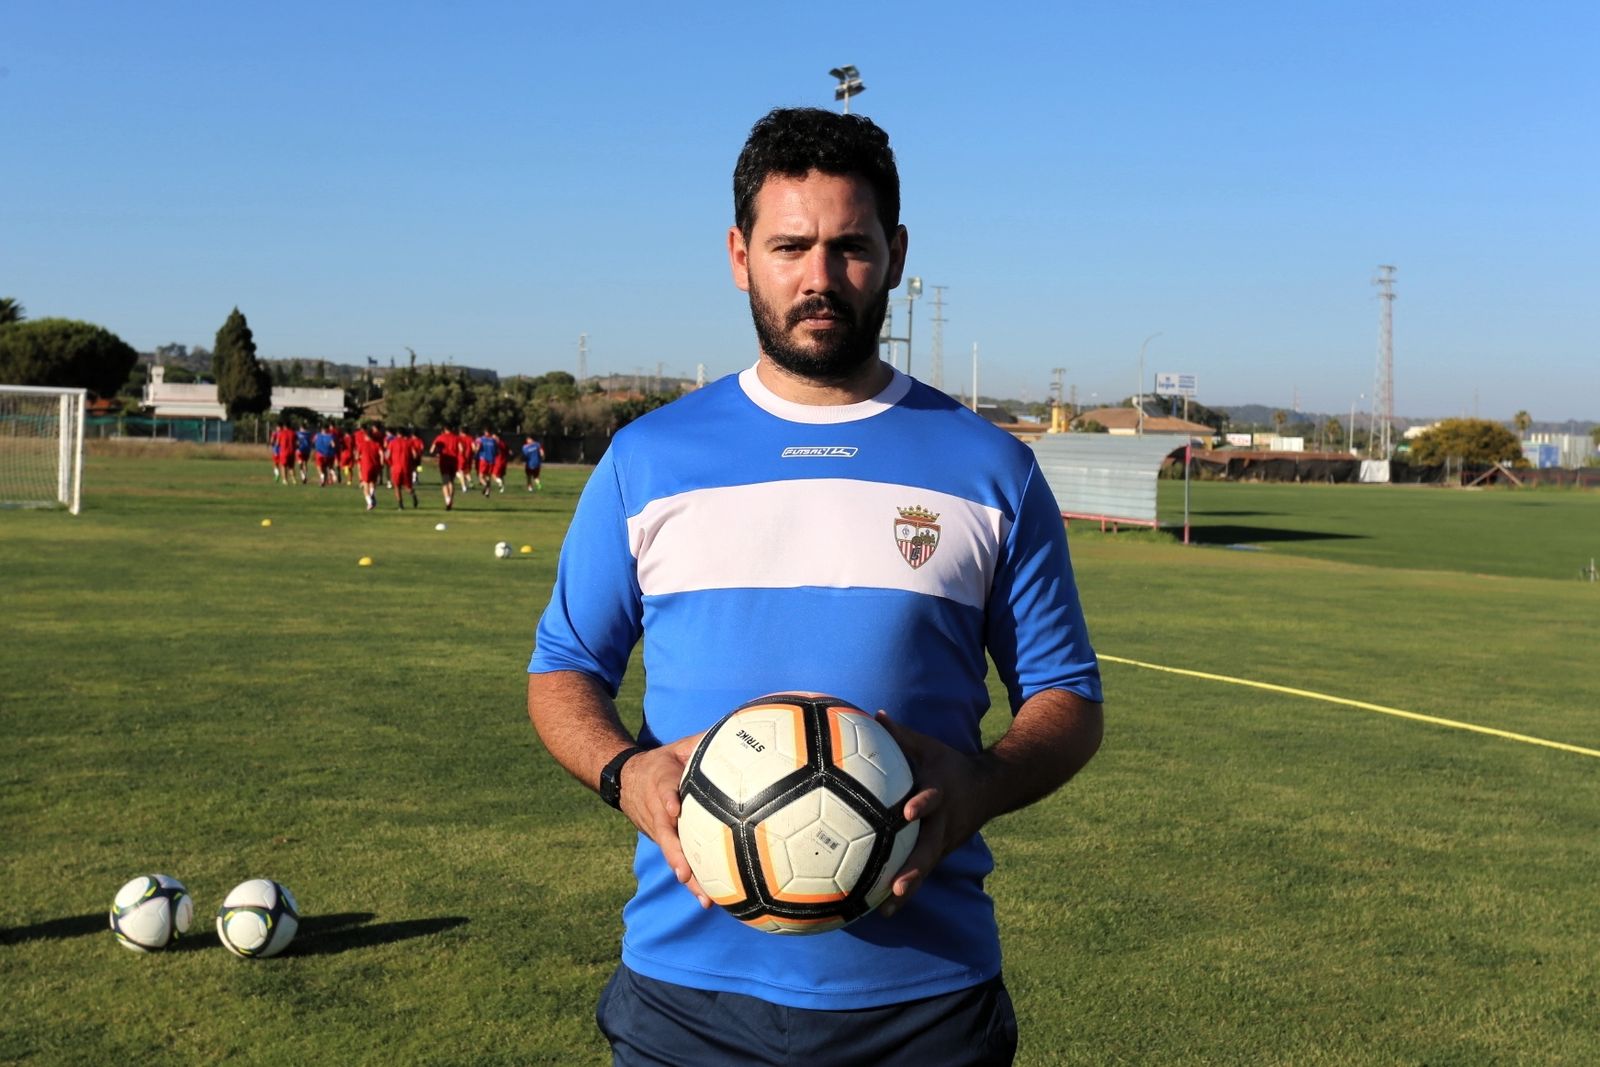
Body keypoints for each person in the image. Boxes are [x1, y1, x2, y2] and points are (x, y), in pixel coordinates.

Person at [526, 107, 1103, 1066]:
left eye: (851, 247)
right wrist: (629, 774)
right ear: (739, 253)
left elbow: (1068, 696)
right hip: (687, 997)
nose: (820, 278)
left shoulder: (991, 469)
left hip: (923, 998)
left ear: (897, 252)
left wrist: (984, 784)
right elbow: (562, 669)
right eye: (791, 245)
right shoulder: (648, 461)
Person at [353, 421, 386, 511]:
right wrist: (382, 462)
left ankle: (369, 502)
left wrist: (359, 457)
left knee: (365, 485)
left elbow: (356, 456)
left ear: (365, 436)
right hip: (375, 466)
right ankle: (372, 496)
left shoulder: (362, 444)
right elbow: (381, 453)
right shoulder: (376, 444)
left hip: (366, 466)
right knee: (373, 483)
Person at [429, 425, 460, 510]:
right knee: (451, 482)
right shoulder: (456, 438)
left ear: (444, 429)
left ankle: (447, 499)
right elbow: (461, 449)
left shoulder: (440, 437)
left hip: (444, 460)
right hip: (454, 461)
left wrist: (437, 452)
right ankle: (451, 500)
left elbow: (431, 450)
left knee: (445, 482)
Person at [387, 425, 418, 509]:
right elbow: (415, 454)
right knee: (407, 486)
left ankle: (400, 505)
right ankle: (413, 494)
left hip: (396, 467)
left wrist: (391, 463)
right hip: (406, 467)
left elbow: (387, 455)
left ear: (397, 434)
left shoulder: (392, 442)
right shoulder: (409, 442)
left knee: (397, 486)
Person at [475, 427, 501, 497]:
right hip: (491, 460)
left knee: (481, 477)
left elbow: (477, 448)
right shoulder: (494, 440)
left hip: (484, 460)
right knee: (488, 477)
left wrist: (475, 453)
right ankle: (487, 492)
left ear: (485, 432)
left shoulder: (481, 439)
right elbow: (497, 451)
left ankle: (486, 485)